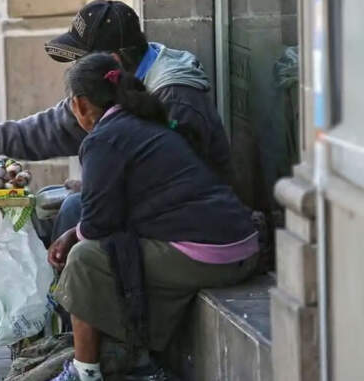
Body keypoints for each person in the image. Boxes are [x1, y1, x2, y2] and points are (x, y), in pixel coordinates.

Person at [0, 0, 232, 243]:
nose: (75, 69)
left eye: (81, 61)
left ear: (112, 61)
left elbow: (182, 181)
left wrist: (103, 190)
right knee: (44, 207)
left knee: (73, 213)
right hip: (151, 205)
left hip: (194, 223)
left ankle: (76, 309)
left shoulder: (176, 95)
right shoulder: (111, 85)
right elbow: (57, 125)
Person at [46, 53, 258, 381]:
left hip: (213, 253)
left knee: (84, 260)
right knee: (110, 246)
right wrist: (77, 228)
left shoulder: (104, 138)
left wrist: (71, 235)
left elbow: (98, 226)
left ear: (80, 105)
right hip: (239, 244)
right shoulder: (143, 123)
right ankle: (135, 358)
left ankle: (85, 372)